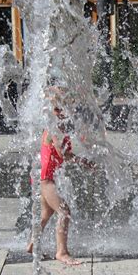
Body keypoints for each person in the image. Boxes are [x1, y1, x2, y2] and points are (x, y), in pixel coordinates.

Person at [27, 103, 93, 265]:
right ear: (49, 111)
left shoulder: (59, 128)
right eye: (56, 109)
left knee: (46, 214)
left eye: (63, 108)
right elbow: (61, 151)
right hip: (46, 180)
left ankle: (32, 244)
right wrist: (81, 160)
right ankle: (62, 252)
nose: (61, 112)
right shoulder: (53, 130)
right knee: (64, 212)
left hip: (45, 179)